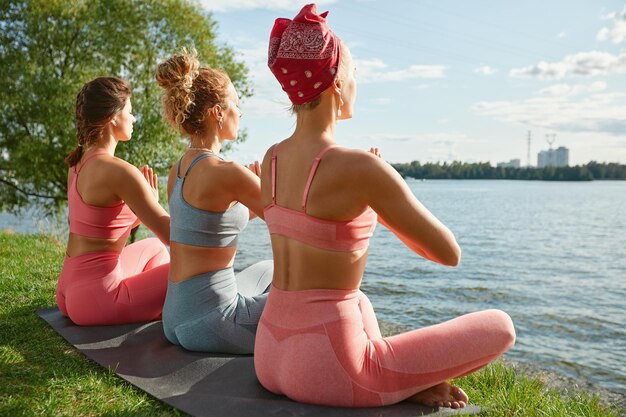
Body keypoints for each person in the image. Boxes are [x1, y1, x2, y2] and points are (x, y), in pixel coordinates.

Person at [254, 4, 516, 409]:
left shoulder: (270, 159)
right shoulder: (361, 166)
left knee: (358, 300)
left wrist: (371, 194)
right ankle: (398, 382)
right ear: (336, 82)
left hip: (268, 354)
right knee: (501, 327)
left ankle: (404, 380)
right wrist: (382, 191)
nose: (357, 81)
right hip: (330, 369)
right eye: (354, 73)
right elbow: (447, 253)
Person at [156, 50, 273, 354]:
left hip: (174, 319)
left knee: (268, 268)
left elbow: (207, 225)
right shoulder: (228, 172)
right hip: (214, 324)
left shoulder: (179, 169)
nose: (241, 112)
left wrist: (252, 196)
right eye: (236, 103)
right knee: (314, 296)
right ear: (217, 112)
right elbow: (293, 221)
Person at [56, 77, 171, 326]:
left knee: (154, 248)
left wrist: (144, 207)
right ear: (113, 116)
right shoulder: (120, 171)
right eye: (130, 111)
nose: (134, 118)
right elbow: (174, 236)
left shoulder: (77, 163)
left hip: (68, 290)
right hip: (97, 299)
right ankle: (159, 307)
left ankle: (154, 304)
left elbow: (99, 227)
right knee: (194, 268)